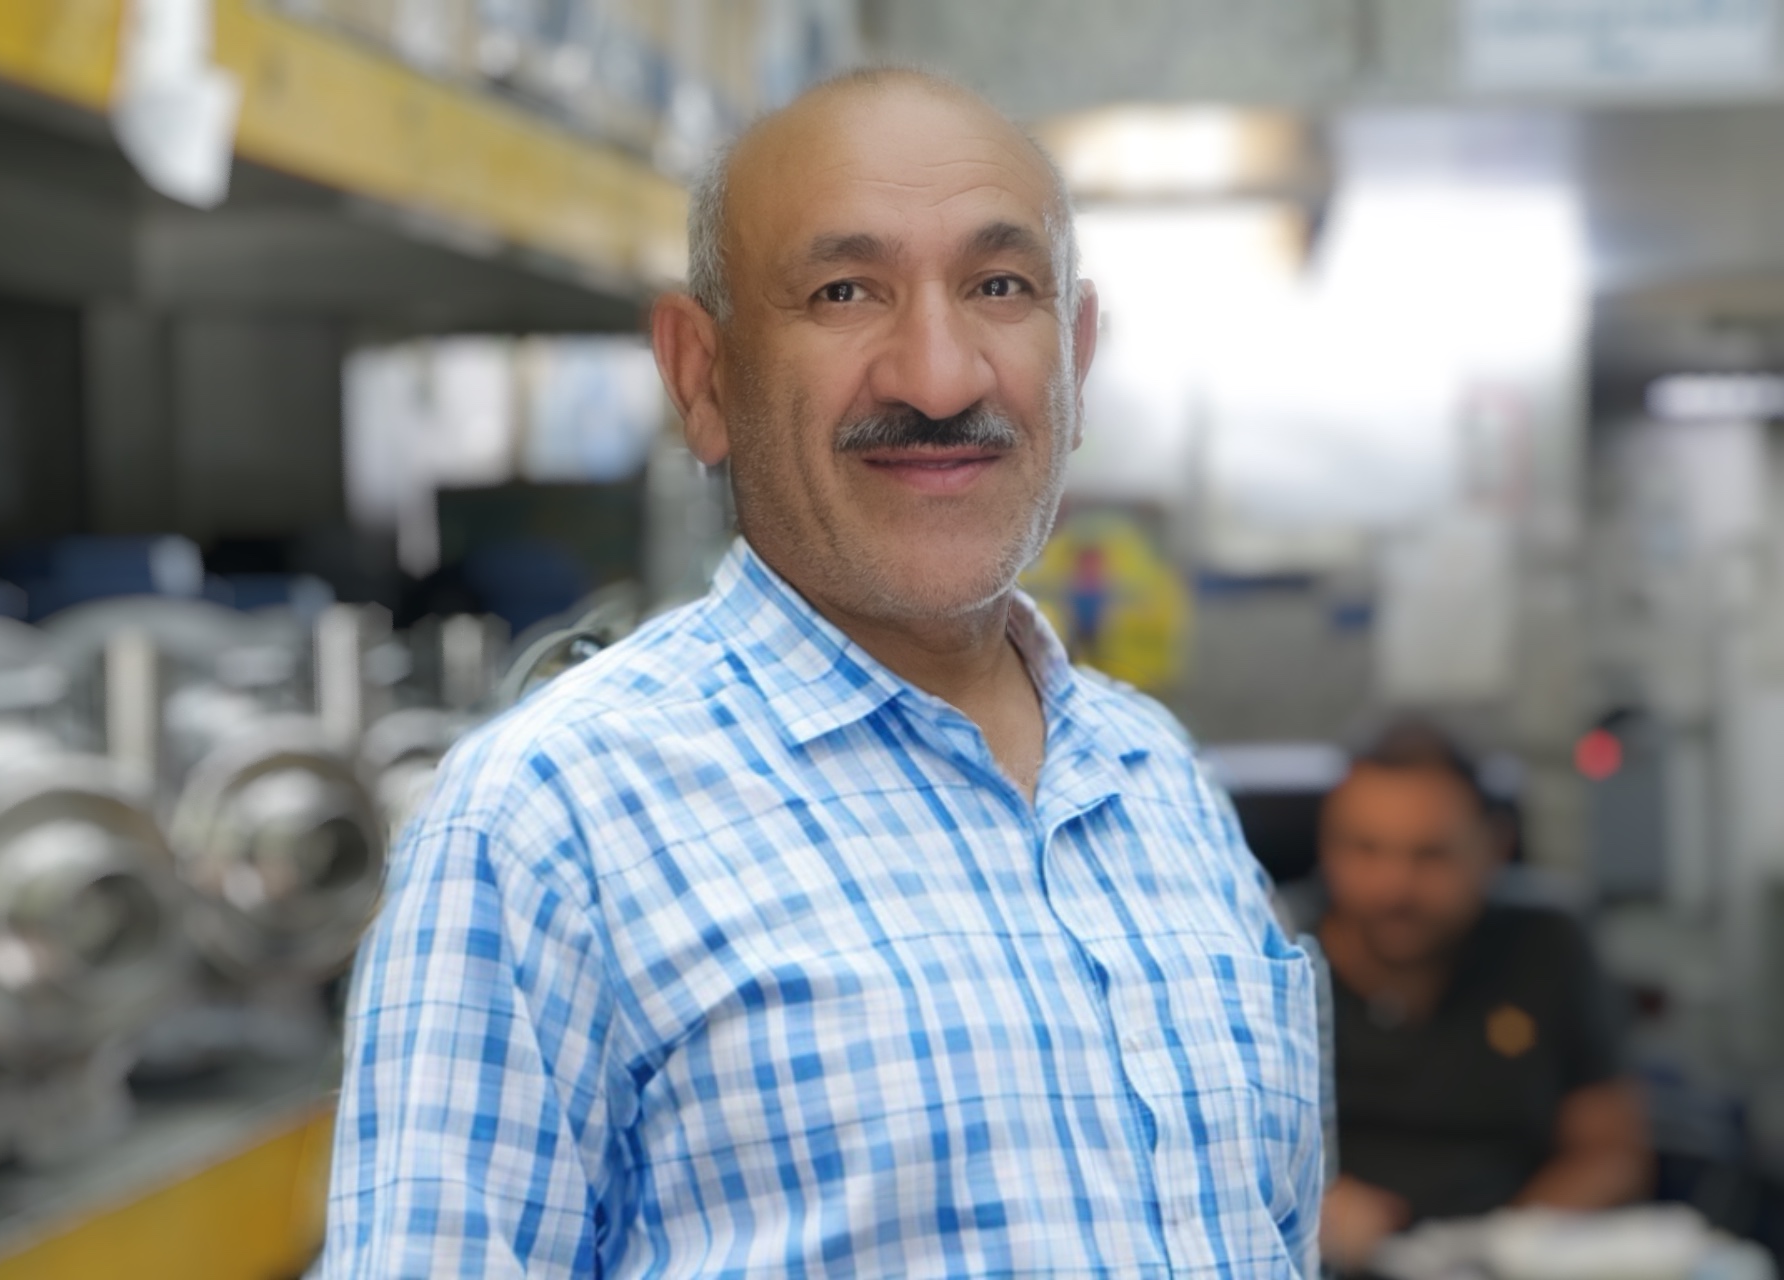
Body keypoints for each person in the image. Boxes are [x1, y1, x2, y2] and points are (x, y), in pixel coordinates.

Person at [322, 66, 1320, 1279]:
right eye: (844, 292)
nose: (939, 379)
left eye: (999, 286)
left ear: (1076, 356)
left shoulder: (1158, 781)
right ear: (703, 377)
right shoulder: (548, 820)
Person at [1314, 722, 1651, 1275]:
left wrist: (1503, 1247)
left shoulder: (1548, 943)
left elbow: (1611, 1152)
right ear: (1326, 846)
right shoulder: (1270, 956)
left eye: (1431, 855)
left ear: (1494, 848)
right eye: (1365, 850)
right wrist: (1307, 1207)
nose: (1395, 886)